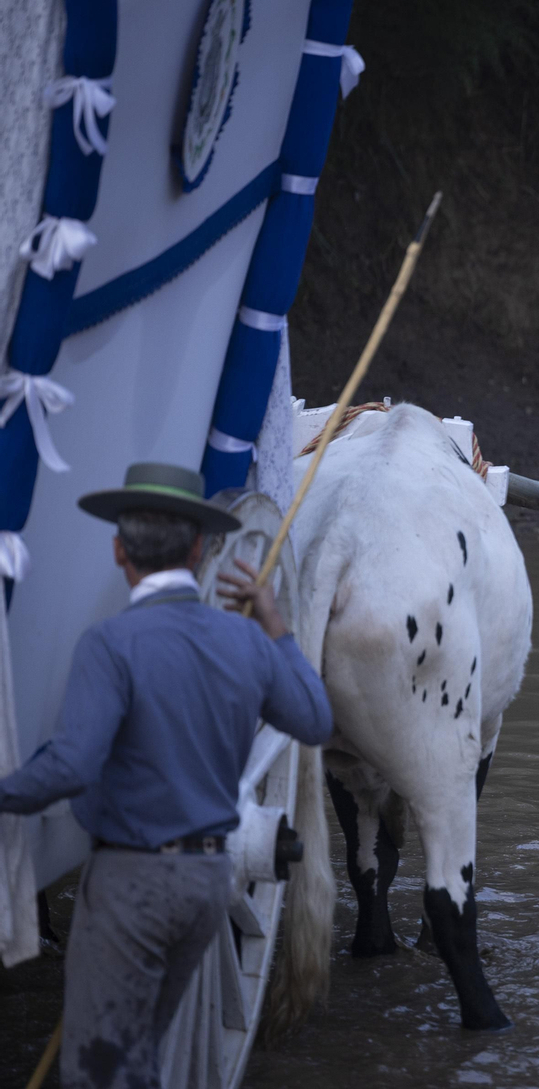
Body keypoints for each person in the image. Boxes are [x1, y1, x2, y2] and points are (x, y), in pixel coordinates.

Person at [0, 463, 333, 1089]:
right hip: (206, 887)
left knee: (101, 1072)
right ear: (202, 548)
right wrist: (273, 622)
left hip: (133, 886)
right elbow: (314, 719)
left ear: (119, 549)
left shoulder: (111, 644)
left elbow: (72, 765)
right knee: (142, 1059)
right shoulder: (247, 642)